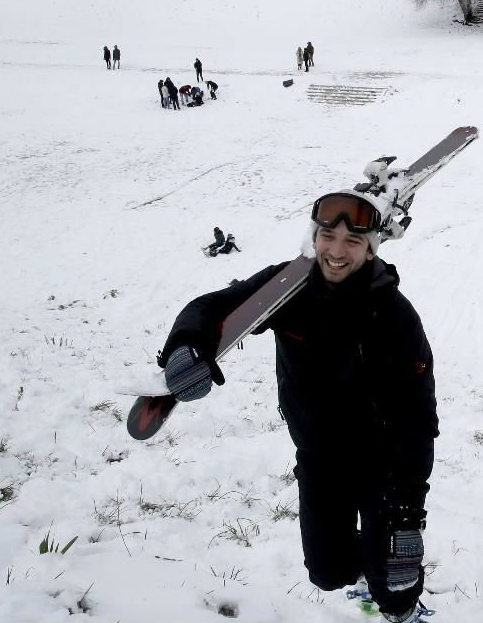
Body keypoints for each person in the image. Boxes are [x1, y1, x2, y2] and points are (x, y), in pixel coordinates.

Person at [157, 189, 436, 623]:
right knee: (327, 572)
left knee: (395, 586)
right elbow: (212, 307)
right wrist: (185, 345)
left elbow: (417, 418)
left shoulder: (395, 315)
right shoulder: (287, 288)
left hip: (383, 464)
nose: (336, 252)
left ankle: (401, 605)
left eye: (353, 241)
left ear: (370, 249)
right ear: (314, 237)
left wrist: (407, 514)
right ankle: (372, 564)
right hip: (320, 456)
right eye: (328, 236)